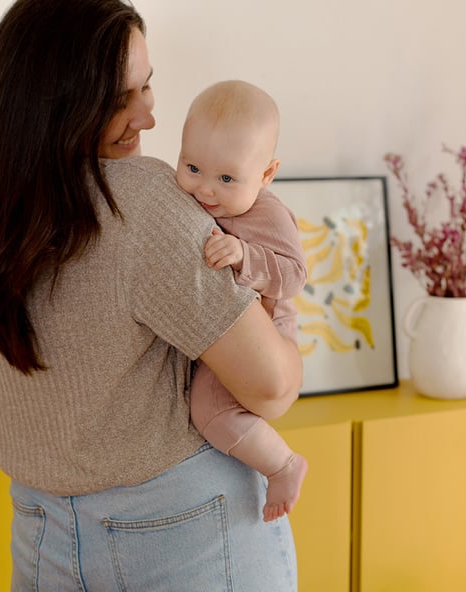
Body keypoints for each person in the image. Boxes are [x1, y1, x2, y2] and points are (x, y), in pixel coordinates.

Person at [0, 0, 303, 590]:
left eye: (148, 85)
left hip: (40, 538)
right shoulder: (144, 199)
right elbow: (272, 387)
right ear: (56, 101)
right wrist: (281, 318)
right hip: (186, 537)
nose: (149, 117)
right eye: (118, 98)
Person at [176, 80, 309, 523]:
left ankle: (283, 465)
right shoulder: (193, 199)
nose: (205, 190)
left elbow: (294, 275)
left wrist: (244, 255)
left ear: (266, 175)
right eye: (192, 167)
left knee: (210, 410)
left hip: (269, 327)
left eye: (226, 178)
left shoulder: (266, 213)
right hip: (231, 330)